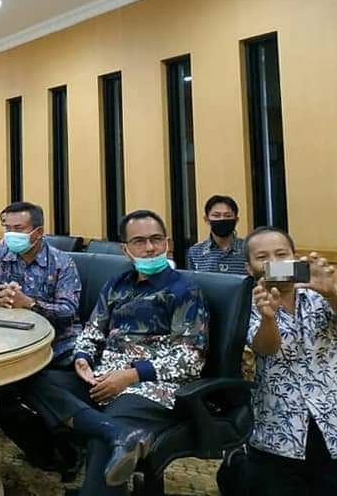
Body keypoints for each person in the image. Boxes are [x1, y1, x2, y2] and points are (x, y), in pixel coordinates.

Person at [26, 209, 209, 495]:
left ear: (168, 243)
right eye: (139, 241)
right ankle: (115, 432)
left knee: (107, 436)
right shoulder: (117, 284)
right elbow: (93, 331)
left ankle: (110, 436)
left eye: (156, 239)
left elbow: (190, 358)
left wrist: (130, 376)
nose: (149, 248)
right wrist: (83, 358)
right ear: (126, 249)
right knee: (35, 379)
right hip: (102, 378)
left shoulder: (185, 291)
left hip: (150, 387)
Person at [245, 226, 337, 495]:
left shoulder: (320, 293)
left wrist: (332, 293)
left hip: (331, 422)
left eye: (281, 254)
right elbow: (266, 348)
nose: (274, 262)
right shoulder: (246, 303)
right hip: (278, 429)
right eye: (262, 257)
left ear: (295, 258)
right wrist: (269, 318)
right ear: (249, 268)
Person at [0, 201, 82, 365]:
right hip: (10, 337)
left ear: (38, 232)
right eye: (8, 229)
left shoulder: (62, 263)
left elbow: (68, 312)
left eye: (18, 229)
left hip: (55, 344)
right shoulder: (3, 255)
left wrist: (30, 304)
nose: (11, 235)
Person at [186, 194, 247, 274]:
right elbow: (191, 280)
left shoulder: (248, 249)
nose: (222, 219)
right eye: (216, 215)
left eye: (228, 216)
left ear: (236, 219)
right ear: (206, 219)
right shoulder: (195, 252)